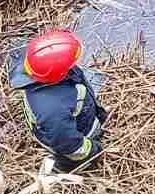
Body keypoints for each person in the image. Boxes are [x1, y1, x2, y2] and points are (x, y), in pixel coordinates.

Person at [6, 27, 107, 173]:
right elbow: (68, 145)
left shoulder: (36, 64)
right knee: (75, 159)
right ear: (58, 74)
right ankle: (67, 168)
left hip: (67, 120)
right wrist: (93, 150)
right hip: (73, 140)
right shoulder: (53, 110)